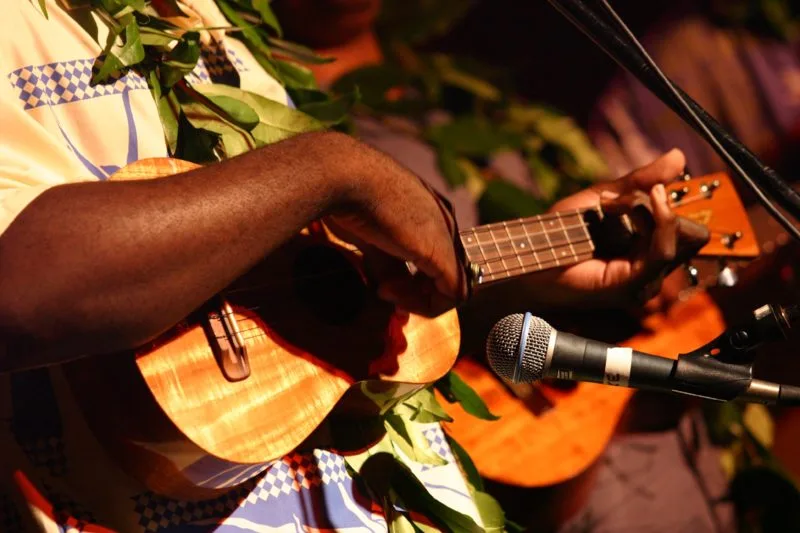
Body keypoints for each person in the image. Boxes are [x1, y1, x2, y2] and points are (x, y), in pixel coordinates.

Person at [0, 0, 692, 531]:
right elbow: (18, 290)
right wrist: (335, 168)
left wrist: (500, 266)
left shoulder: (216, 27)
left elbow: (270, 300)